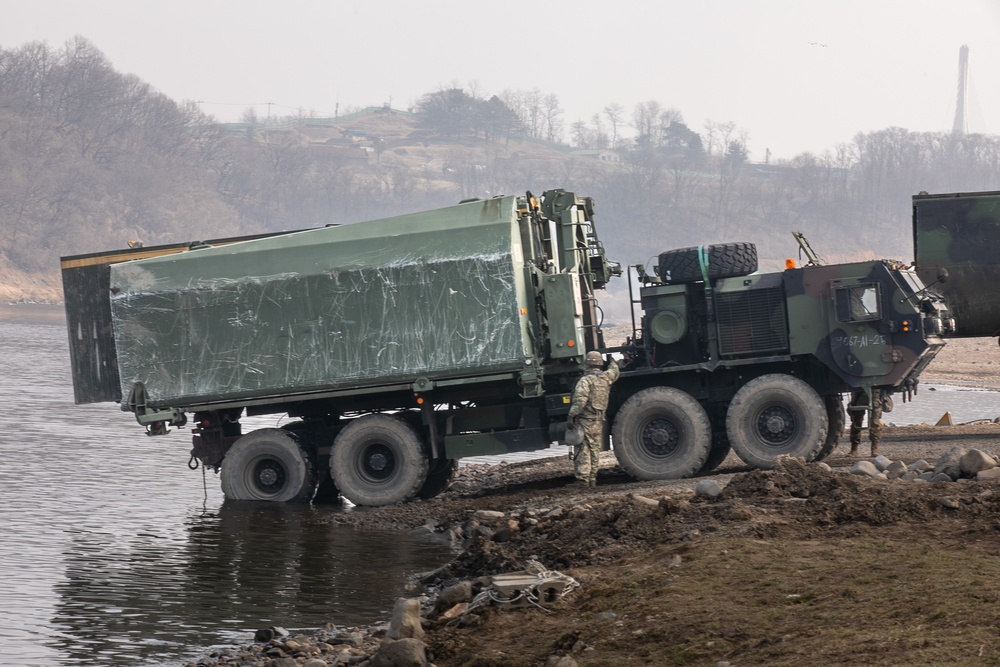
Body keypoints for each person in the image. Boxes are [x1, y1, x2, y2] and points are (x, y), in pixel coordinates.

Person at [567, 351, 620, 487]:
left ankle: (582, 480)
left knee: (582, 448)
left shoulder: (585, 381)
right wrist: (613, 361)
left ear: (587, 364)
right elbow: (615, 371)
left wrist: (571, 416)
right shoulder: (606, 378)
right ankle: (592, 479)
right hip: (598, 420)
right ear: (600, 363)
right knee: (594, 448)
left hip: (585, 419)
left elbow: (580, 401)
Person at [848, 386, 884, 457]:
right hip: (858, 389)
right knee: (856, 421)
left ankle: (874, 448)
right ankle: (854, 449)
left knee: (875, 423)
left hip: (875, 390)